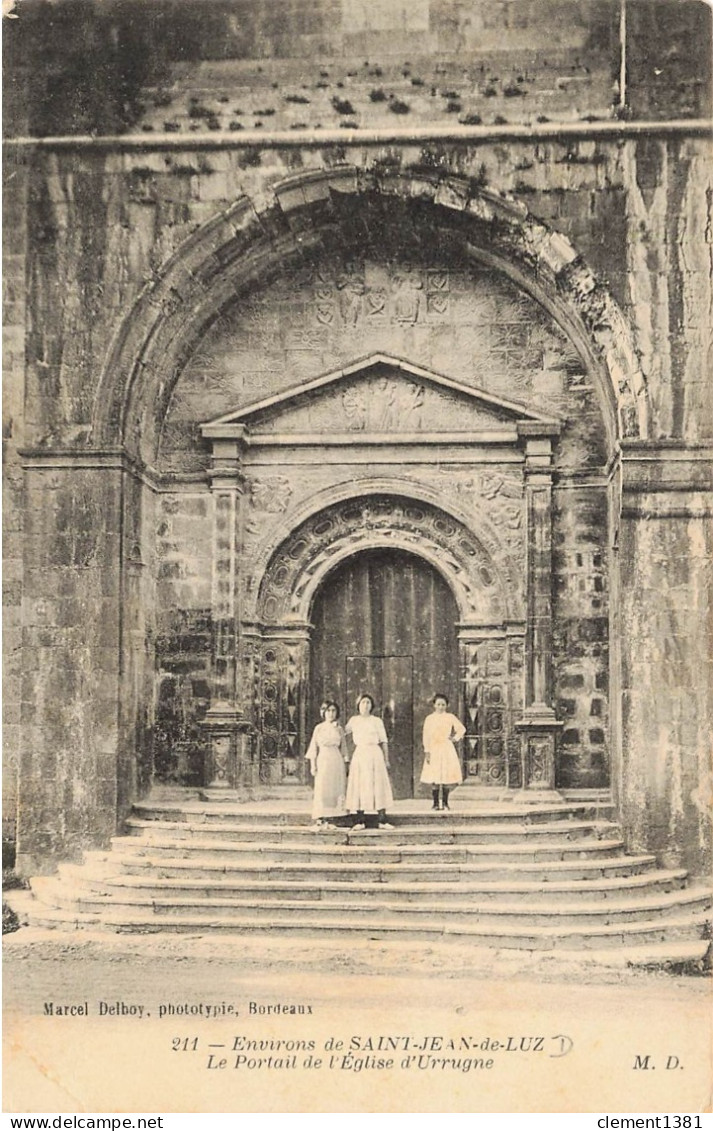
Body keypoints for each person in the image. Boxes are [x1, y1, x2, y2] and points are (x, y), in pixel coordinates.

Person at [344, 694, 394, 830]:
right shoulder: (353, 721)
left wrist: (386, 759)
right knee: (360, 785)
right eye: (362, 702)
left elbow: (384, 741)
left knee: (378, 785)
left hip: (375, 755)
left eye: (368, 702)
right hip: (360, 755)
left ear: (372, 705)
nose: (365, 705)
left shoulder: (377, 721)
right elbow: (341, 734)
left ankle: (382, 820)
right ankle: (360, 820)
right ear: (358, 705)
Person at [304, 700, 348, 828]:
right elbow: (313, 747)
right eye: (328, 710)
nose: (331, 713)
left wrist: (346, 763)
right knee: (323, 786)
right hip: (323, 759)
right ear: (323, 712)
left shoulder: (339, 729)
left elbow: (344, 747)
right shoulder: (319, 728)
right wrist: (313, 765)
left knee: (336, 786)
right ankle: (321, 815)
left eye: (334, 711)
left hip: (336, 760)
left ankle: (336, 815)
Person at [420, 693, 466, 811]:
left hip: (446, 748)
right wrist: (427, 751)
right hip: (434, 748)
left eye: (443, 704)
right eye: (438, 704)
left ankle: (445, 803)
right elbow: (426, 736)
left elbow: (461, 729)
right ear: (434, 705)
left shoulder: (450, 717)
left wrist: (454, 738)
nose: (440, 707)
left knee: (446, 776)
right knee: (435, 776)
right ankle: (435, 803)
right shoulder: (429, 719)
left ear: (446, 705)